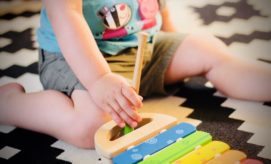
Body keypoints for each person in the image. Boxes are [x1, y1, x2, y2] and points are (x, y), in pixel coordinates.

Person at [0, 0, 270, 149]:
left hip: (141, 45)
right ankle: (12, 105)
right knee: (90, 128)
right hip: (76, 57)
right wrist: (99, 80)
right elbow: (66, 16)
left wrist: (172, 36)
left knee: (205, 47)